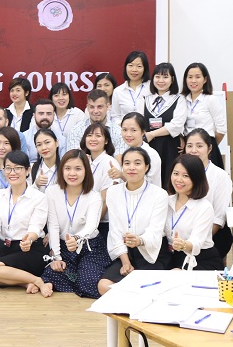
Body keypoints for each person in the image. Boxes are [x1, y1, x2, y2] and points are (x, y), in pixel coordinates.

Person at [97, 147, 169, 295]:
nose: (131, 168)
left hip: (151, 252)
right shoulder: (113, 192)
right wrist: (125, 262)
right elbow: (115, 230)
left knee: (146, 288)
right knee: (104, 286)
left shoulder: (159, 194)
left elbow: (155, 230)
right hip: (125, 252)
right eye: (127, 163)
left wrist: (139, 240)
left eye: (137, 163)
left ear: (146, 167)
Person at [41, 150, 111, 298]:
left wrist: (76, 239)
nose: (72, 173)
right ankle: (79, 277)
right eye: (67, 168)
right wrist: (56, 257)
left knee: (87, 282)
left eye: (78, 168)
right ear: (61, 170)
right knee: (50, 274)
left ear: (86, 171)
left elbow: (92, 225)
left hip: (90, 247)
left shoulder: (94, 196)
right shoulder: (51, 192)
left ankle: (83, 279)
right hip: (64, 247)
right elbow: (53, 226)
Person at [0, 150, 51, 297]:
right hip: (6, 247)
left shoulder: (39, 197)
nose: (12, 172)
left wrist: (28, 240)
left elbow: (36, 227)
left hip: (29, 249)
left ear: (27, 170)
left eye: (18, 168)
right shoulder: (0, 194)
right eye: (8, 168)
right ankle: (24, 282)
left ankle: (37, 280)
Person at [164, 154, 220, 271]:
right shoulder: (165, 201)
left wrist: (183, 245)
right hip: (171, 257)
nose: (179, 179)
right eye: (175, 173)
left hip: (200, 259)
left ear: (196, 178)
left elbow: (196, 242)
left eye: (186, 176)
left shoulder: (204, 207)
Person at [184, 128, 233, 260]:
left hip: (211, 236)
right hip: (184, 236)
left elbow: (219, 217)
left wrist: (196, 242)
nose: (193, 150)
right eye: (189, 146)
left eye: (199, 146)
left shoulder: (220, 176)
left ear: (209, 148)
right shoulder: (180, 172)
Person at [143, 63, 187, 186]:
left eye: (165, 77)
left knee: (169, 181)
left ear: (172, 79)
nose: (161, 80)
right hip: (149, 146)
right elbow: (139, 122)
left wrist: (152, 134)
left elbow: (176, 125)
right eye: (157, 76)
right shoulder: (145, 99)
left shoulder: (179, 99)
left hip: (170, 147)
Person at [182, 62, 227, 168]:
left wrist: (207, 145)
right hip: (188, 148)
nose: (193, 81)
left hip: (206, 148)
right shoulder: (182, 99)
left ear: (205, 79)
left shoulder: (211, 100)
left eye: (198, 77)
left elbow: (221, 129)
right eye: (190, 77)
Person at [79, 122, 120, 234]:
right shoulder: (86, 161)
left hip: (102, 223)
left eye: (98, 136)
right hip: (85, 220)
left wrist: (90, 228)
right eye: (89, 135)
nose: (93, 139)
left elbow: (105, 201)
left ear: (106, 141)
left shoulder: (109, 163)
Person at [108, 113, 162, 189]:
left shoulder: (151, 154)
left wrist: (121, 175)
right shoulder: (125, 151)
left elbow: (145, 185)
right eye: (124, 130)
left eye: (133, 130)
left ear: (143, 132)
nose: (128, 134)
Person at [66, 90, 126, 156]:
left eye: (100, 107)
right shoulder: (75, 131)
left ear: (108, 106)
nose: (96, 111)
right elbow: (73, 159)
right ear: (87, 107)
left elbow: (120, 159)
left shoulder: (118, 132)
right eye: (92, 107)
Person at [110, 51, 151, 123]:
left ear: (145, 68)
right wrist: (124, 126)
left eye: (139, 66)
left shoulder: (152, 88)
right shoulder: (118, 91)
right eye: (130, 65)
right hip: (125, 129)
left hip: (147, 129)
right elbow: (116, 116)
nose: (134, 70)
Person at [30, 129, 61, 193]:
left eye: (47, 142)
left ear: (57, 143)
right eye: (39, 145)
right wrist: (36, 184)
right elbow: (25, 194)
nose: (43, 148)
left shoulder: (65, 168)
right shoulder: (31, 168)